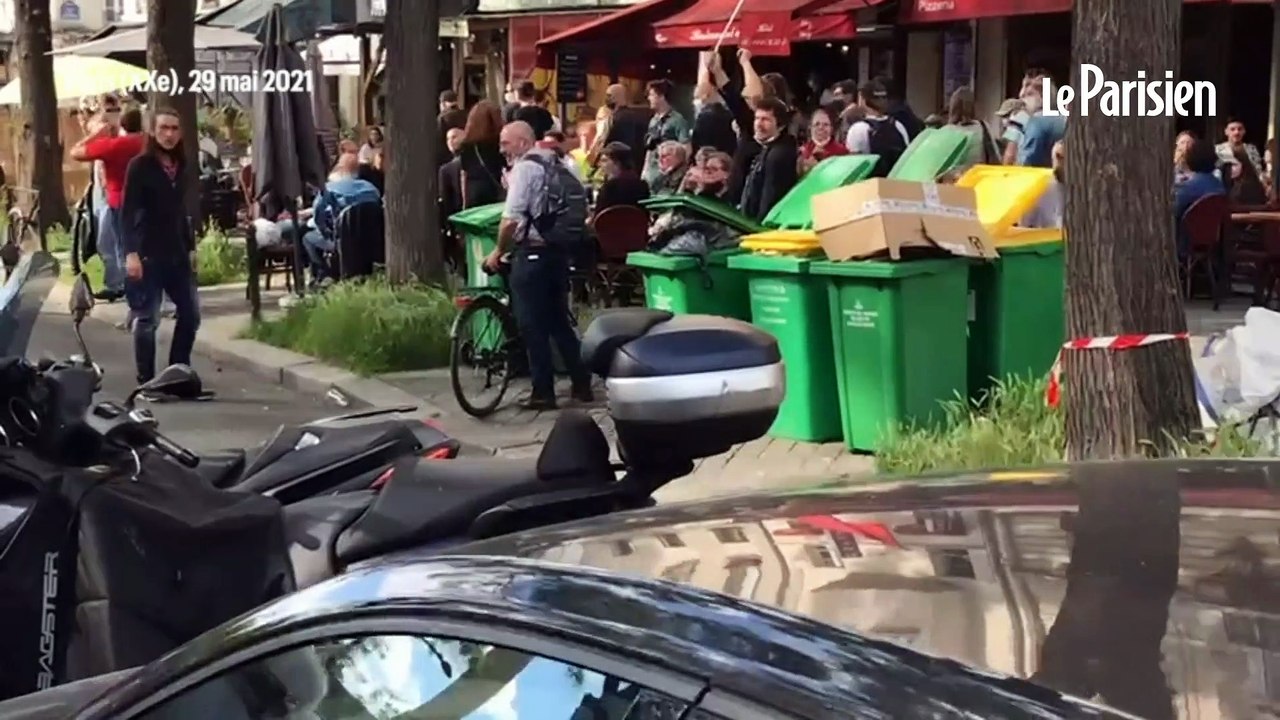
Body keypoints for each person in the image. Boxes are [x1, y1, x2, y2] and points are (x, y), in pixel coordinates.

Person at [483, 121, 593, 410]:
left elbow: (511, 219)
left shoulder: (525, 169)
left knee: (532, 326)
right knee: (558, 321)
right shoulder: (558, 164)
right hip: (556, 252)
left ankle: (542, 392)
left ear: (522, 142)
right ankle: (582, 384)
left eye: (505, 143)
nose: (501, 149)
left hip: (531, 253)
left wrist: (498, 251)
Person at [119, 108, 200, 386]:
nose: (169, 134)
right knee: (147, 318)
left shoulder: (183, 164)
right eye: (164, 128)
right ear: (153, 131)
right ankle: (147, 380)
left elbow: (182, 211)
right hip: (147, 251)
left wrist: (191, 247)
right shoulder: (140, 166)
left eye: (174, 129)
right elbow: (128, 211)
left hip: (176, 250)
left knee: (190, 313)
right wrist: (131, 253)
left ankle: (177, 372)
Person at [70, 96, 144, 302]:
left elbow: (75, 152)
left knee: (124, 252)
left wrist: (95, 135)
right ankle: (156, 297)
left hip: (119, 203)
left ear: (121, 122)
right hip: (146, 203)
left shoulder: (114, 146)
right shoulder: (148, 143)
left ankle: (134, 299)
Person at [301, 153, 381, 286]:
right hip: (370, 241)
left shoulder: (329, 189)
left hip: (343, 238)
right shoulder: (372, 189)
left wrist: (326, 232)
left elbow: (318, 216)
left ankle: (324, 274)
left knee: (308, 238)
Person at [739, 98, 798, 221]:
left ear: (780, 125)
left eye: (765, 120)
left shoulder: (779, 155)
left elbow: (771, 196)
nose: (759, 124)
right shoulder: (768, 149)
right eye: (757, 118)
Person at [845, 79, 909, 177]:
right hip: (895, 185)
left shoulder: (857, 129)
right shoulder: (899, 126)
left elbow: (853, 168)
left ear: (863, 100)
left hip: (869, 187)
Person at [1175, 138, 1226, 261]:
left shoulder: (1189, 187)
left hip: (1184, 242)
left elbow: (1173, 210)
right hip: (1212, 242)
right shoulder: (1218, 185)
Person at [641, 79, 690, 187]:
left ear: (661, 96)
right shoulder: (653, 120)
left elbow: (686, 148)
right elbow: (650, 149)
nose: (649, 98)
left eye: (652, 95)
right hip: (650, 173)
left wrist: (675, 173)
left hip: (667, 177)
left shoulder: (678, 120)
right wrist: (644, 171)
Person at [458, 100, 507, 208]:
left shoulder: (467, 144)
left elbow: (464, 174)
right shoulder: (499, 142)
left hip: (474, 190)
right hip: (494, 188)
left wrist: (464, 201)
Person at [1014, 74, 1066, 168]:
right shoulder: (1063, 119)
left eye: (1028, 94)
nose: (1021, 97)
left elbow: (1027, 162)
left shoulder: (1037, 122)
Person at [602, 83, 650, 174]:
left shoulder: (617, 119)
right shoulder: (638, 117)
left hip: (619, 165)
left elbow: (608, 143)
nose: (606, 99)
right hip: (636, 165)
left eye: (609, 95)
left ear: (616, 97)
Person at [946, 87, 998, 170]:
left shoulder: (946, 131)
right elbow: (995, 155)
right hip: (977, 177)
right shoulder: (983, 127)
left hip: (952, 179)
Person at [594, 142, 649, 214]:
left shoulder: (609, 188)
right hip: (637, 224)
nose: (600, 164)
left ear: (617, 163)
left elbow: (599, 216)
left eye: (604, 160)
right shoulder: (642, 185)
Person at [798, 106, 848, 176]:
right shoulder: (802, 152)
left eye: (825, 124)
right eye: (817, 124)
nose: (821, 127)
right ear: (810, 127)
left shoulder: (842, 151)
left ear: (831, 128)